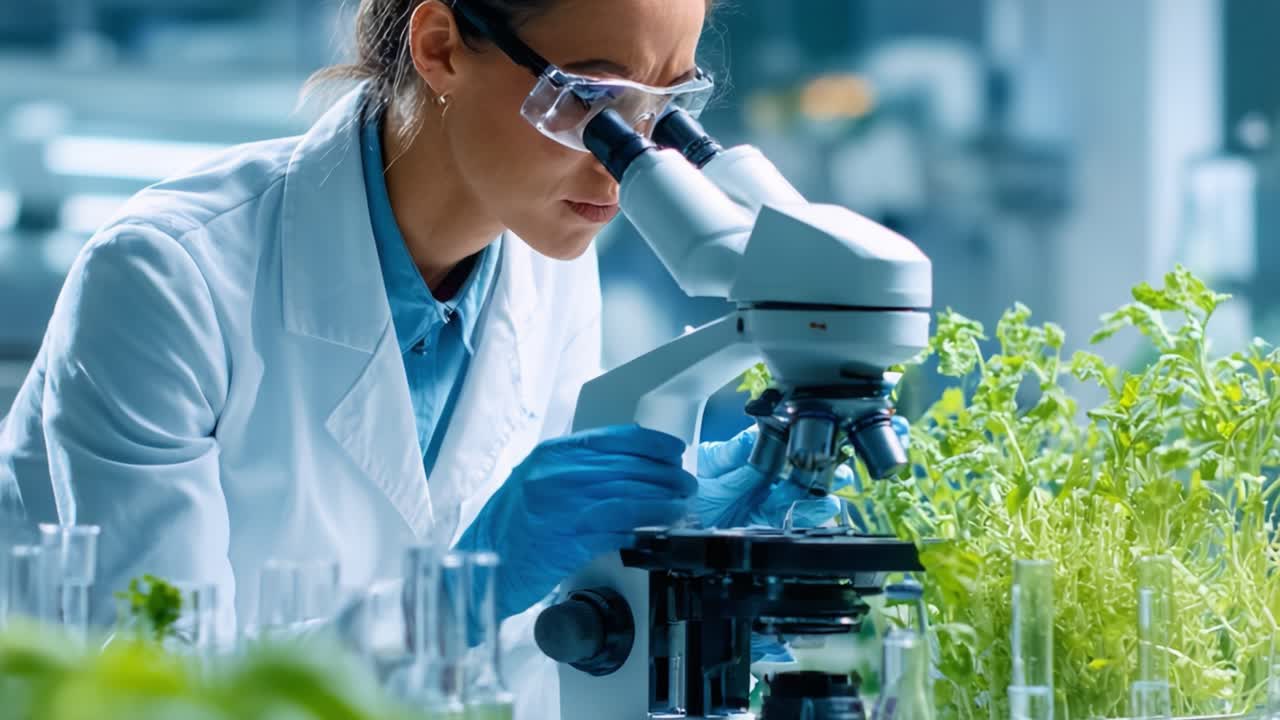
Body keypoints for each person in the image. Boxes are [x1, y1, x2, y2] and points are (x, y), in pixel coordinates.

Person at [0, 0, 846, 715]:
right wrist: (460, 596)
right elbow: (152, 693)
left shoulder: (552, 275)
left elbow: (524, 658)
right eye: (591, 97)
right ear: (440, 48)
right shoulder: (166, 280)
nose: (632, 158)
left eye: (667, 104)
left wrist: (669, 566)